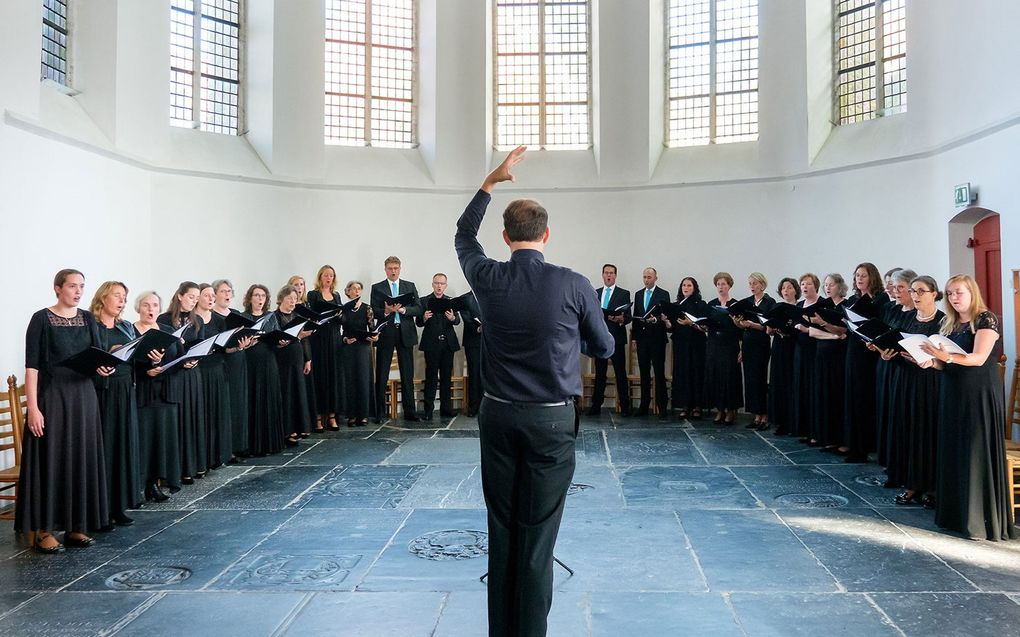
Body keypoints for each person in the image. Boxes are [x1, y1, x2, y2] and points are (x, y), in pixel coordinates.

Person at [455, 146, 613, 637]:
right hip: (550, 421)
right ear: (546, 235)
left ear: (505, 238)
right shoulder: (573, 282)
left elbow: (463, 235)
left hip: (498, 417)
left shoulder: (488, 276)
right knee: (538, 534)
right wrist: (572, 337)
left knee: (501, 527)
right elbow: (604, 346)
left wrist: (489, 182)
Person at [17, 269, 110, 553]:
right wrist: (33, 408)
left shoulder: (88, 318)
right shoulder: (41, 319)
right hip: (53, 397)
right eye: (72, 286)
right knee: (52, 459)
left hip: (83, 397)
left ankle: (76, 525)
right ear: (58, 289)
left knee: (80, 457)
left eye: (82, 286)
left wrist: (104, 368)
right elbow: (31, 367)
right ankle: (46, 528)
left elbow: (97, 356)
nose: (78, 291)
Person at [920, 275, 1016, 541]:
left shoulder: (986, 319)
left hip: (978, 393)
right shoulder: (948, 322)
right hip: (953, 392)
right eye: (950, 294)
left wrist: (946, 357)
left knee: (975, 451)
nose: (954, 298)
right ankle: (954, 517)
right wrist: (931, 362)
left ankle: (978, 523)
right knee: (955, 450)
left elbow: (978, 358)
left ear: (972, 292)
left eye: (959, 293)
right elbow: (944, 364)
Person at [90, 281, 143, 527]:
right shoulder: (92, 325)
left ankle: (118, 505)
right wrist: (106, 353)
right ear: (103, 297)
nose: (122, 300)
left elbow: (135, 354)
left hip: (124, 389)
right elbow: (86, 356)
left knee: (123, 445)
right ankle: (100, 509)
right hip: (102, 392)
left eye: (124, 296)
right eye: (117, 296)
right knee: (105, 448)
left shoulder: (126, 326)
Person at [895, 275, 944, 507]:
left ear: (934, 293)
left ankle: (933, 487)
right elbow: (900, 348)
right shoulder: (906, 318)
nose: (915, 295)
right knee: (910, 430)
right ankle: (912, 484)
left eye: (920, 291)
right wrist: (889, 354)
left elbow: (948, 356)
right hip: (908, 380)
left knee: (929, 432)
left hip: (932, 382)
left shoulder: (943, 321)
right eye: (913, 291)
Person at [133, 291, 181, 501]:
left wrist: (185, 363)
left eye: (154, 305)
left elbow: (179, 357)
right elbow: (126, 362)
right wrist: (147, 370)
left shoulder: (168, 331)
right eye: (146, 305)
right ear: (138, 308)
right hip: (143, 393)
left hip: (166, 392)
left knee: (162, 440)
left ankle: (155, 483)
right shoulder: (131, 331)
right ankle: (140, 485)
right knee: (145, 440)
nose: (150, 309)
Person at [158, 282, 207, 485]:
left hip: (192, 375)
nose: (194, 301)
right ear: (180, 296)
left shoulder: (198, 320)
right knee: (177, 421)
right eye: (191, 297)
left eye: (197, 298)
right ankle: (175, 469)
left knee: (192, 418)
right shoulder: (163, 319)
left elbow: (203, 345)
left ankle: (192, 466)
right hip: (174, 374)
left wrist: (196, 358)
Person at [842, 263, 887, 462]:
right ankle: (854, 444)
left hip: (870, 352)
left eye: (864, 276)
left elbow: (882, 325)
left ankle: (866, 446)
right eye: (857, 275)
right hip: (854, 348)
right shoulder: (853, 299)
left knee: (865, 397)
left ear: (873, 278)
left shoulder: (881, 299)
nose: (859, 279)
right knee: (852, 396)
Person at [370, 256, 422, 422]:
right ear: (385, 269)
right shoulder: (377, 288)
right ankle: (379, 412)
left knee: (407, 374)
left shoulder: (409, 286)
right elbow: (374, 311)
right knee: (382, 373)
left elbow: (419, 308)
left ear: (400, 269)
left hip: (405, 332)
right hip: (386, 333)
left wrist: (404, 310)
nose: (393, 271)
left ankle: (410, 411)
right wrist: (386, 311)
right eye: (390, 268)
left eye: (396, 268)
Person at [242, 284, 285, 456]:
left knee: (269, 399)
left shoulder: (271, 317)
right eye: (256, 295)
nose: (260, 299)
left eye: (263, 296)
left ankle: (270, 444)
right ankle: (252, 445)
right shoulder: (242, 317)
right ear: (250, 298)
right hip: (250, 363)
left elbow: (277, 336)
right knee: (252, 401)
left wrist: (281, 342)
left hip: (268, 362)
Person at [212, 279, 252, 462]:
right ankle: (229, 449)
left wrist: (247, 342)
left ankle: (240, 443)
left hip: (239, 359)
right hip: (224, 362)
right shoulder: (213, 318)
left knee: (240, 401)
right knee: (229, 404)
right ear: (215, 294)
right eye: (223, 291)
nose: (227, 294)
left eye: (229, 291)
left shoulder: (236, 314)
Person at [195, 283, 234, 470]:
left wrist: (239, 345)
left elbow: (225, 347)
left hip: (217, 369)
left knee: (218, 413)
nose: (211, 298)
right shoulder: (192, 320)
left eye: (212, 295)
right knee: (203, 415)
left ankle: (218, 456)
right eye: (207, 295)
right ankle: (203, 458)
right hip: (200, 371)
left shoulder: (219, 321)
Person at [587, 264, 631, 417]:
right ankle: (596, 406)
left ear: (615, 275)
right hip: (600, 337)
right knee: (600, 373)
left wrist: (620, 319)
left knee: (620, 372)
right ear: (602, 275)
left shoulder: (623, 293)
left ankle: (625, 406)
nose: (609, 275)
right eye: (606, 273)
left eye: (611, 273)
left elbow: (628, 316)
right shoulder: (595, 293)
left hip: (616, 338)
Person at [416, 273, 461, 420]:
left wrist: (452, 318)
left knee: (446, 377)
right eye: (436, 283)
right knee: (431, 377)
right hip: (431, 344)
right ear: (432, 284)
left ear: (445, 285)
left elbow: (457, 321)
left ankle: (446, 409)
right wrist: (424, 317)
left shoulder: (451, 301)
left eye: (442, 283)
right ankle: (428, 410)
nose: (439, 286)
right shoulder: (424, 301)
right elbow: (418, 323)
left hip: (447, 344)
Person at [662, 277, 708, 420]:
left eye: (689, 285)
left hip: (696, 344)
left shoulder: (700, 304)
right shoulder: (676, 305)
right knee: (682, 373)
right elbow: (672, 328)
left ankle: (697, 406)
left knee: (696, 372)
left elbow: (704, 327)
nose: (686, 288)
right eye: (684, 285)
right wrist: (666, 322)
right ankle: (684, 405)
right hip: (680, 343)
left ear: (694, 288)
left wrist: (690, 323)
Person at [734, 272, 775, 428]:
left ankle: (764, 415)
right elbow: (742, 325)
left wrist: (752, 325)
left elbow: (768, 326)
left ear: (762, 285)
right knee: (750, 381)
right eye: (750, 283)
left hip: (761, 344)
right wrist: (738, 323)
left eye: (755, 283)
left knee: (760, 380)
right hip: (748, 344)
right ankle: (755, 415)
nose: (752, 286)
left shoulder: (769, 302)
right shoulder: (746, 302)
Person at [274, 285, 314, 446]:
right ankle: (287, 431)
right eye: (289, 298)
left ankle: (299, 427)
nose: (292, 302)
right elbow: (272, 338)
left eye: (295, 299)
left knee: (298, 392)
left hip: (297, 356)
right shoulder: (274, 317)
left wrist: (308, 359)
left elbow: (303, 339)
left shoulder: (297, 316)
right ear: (281, 298)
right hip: (282, 359)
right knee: (287, 394)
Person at [307, 265, 345, 431]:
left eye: (331, 276)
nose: (328, 278)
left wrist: (340, 314)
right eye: (325, 275)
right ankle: (317, 418)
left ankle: (331, 416)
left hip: (334, 338)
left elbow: (343, 318)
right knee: (320, 376)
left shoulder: (336, 295)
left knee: (333, 376)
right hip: (319, 339)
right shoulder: (313, 294)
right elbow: (310, 315)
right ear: (320, 277)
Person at [703, 272, 742, 424]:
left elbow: (741, 330)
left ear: (729, 285)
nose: (721, 287)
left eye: (724, 284)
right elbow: (706, 325)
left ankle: (731, 410)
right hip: (714, 344)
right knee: (716, 376)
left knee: (729, 378)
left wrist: (741, 348)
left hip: (730, 345)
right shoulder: (711, 304)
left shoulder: (736, 305)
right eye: (718, 284)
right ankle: (719, 410)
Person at [631, 267, 670, 418]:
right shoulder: (638, 294)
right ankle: (644, 405)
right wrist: (634, 338)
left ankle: (662, 407)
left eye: (649, 277)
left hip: (657, 339)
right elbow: (636, 317)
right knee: (644, 373)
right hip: (642, 339)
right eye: (644, 277)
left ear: (655, 278)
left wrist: (656, 319)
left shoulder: (663, 294)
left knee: (659, 373)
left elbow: (665, 316)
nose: (646, 280)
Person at [340, 281, 376, 427]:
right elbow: (340, 330)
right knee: (350, 380)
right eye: (353, 289)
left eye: (359, 288)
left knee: (363, 379)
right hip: (348, 348)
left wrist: (374, 336)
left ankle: (363, 415)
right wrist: (345, 339)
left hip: (363, 347)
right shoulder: (344, 309)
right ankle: (351, 415)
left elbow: (372, 328)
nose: (356, 291)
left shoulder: (367, 308)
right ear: (348, 292)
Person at [767, 277, 800, 435]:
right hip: (779, 346)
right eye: (783, 288)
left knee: (791, 383)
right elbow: (768, 331)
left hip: (793, 346)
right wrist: (773, 328)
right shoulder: (776, 307)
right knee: (778, 382)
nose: (786, 291)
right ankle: (780, 421)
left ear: (796, 290)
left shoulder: (800, 307)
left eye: (789, 287)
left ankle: (792, 421)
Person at [459, 291, 484, 417]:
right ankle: (474, 407)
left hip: (489, 342)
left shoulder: (488, 294)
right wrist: (479, 327)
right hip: (472, 340)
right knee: (474, 373)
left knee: (487, 374)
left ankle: (485, 406)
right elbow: (466, 317)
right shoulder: (465, 298)